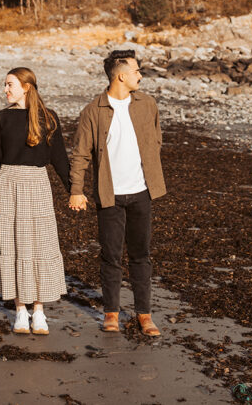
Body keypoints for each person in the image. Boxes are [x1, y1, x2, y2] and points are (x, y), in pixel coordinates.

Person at [68, 49, 166, 336]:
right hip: (109, 195)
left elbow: (156, 140)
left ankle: (144, 315)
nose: (140, 75)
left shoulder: (147, 105)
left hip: (141, 192)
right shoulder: (93, 111)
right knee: (110, 255)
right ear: (121, 76)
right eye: (136, 71)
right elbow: (80, 155)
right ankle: (111, 313)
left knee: (141, 255)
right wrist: (76, 190)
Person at [0, 67, 70, 335]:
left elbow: (60, 159)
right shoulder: (0, 119)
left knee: (39, 246)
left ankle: (39, 312)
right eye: (5, 84)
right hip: (7, 184)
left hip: (38, 185)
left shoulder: (48, 118)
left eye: (10, 84)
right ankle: (20, 311)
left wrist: (75, 190)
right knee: (12, 246)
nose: (5, 90)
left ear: (26, 87)